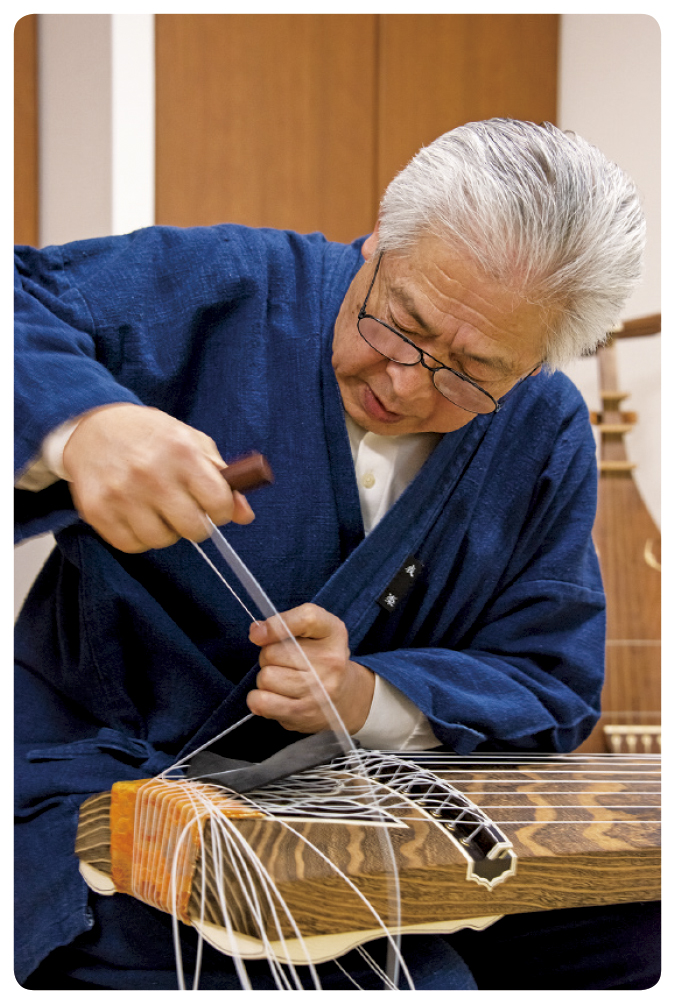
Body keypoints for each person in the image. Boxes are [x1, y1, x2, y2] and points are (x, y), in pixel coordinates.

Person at [14, 118, 657, 989]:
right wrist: (81, 425)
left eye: (470, 373)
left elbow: (546, 678)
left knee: (637, 934)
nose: (404, 383)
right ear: (377, 242)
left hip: (370, 811)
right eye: (401, 324)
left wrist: (364, 695)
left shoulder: (540, 431)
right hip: (100, 782)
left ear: (539, 364)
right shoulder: (226, 286)